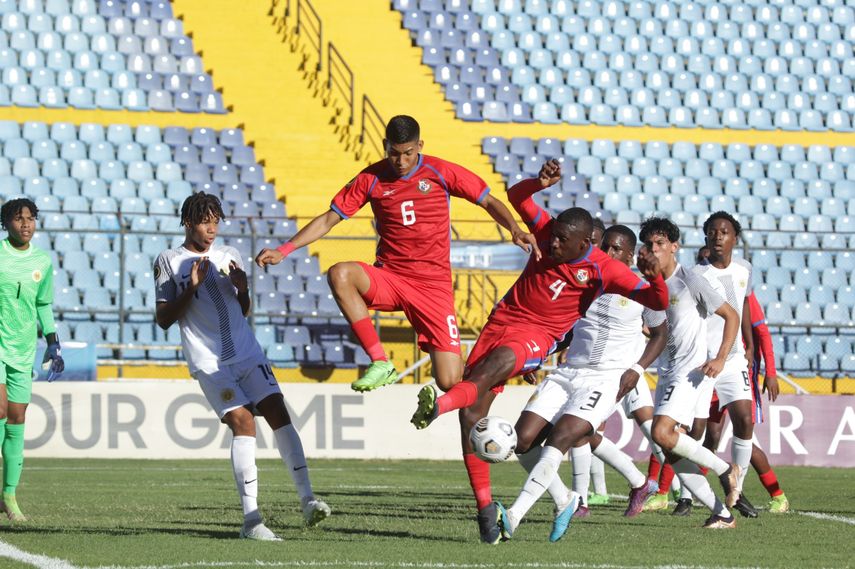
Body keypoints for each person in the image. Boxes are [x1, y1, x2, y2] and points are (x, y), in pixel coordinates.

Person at [411, 160, 670, 541]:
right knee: (475, 417)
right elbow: (515, 197)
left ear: (585, 244)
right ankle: (498, 507)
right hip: (502, 321)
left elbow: (654, 302)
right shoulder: (548, 229)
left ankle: (438, 407)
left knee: (496, 377)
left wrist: (657, 279)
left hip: (539, 336)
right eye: (554, 236)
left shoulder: (604, 270)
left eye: (563, 241)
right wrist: (538, 182)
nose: (552, 243)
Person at [255, 115, 538, 394]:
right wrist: (284, 250)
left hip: (433, 287)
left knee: (450, 381)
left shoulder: (440, 172)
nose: (401, 161)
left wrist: (514, 228)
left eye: (408, 153)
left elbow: (488, 200)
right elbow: (330, 219)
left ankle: (515, 364)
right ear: (384, 145)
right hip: (391, 278)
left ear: (420, 146)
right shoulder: (370, 178)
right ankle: (380, 361)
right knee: (340, 273)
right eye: (393, 153)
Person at [155, 192, 330, 541]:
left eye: (216, 221)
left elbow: (243, 310)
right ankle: (252, 521)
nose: (212, 229)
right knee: (243, 421)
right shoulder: (169, 261)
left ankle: (308, 500)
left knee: (279, 412)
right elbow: (163, 319)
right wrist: (189, 290)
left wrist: (243, 290)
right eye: (206, 221)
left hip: (247, 353)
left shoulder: (229, 255)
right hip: (209, 361)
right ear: (189, 222)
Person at [504, 224, 668, 541]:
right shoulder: (587, 280)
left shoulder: (639, 289)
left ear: (630, 255)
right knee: (521, 441)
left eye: (615, 249)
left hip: (606, 377)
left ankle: (513, 515)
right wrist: (538, 355)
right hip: (568, 372)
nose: (606, 252)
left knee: (563, 437)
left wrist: (637, 367)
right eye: (604, 246)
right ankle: (566, 499)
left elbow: (661, 334)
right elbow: (566, 329)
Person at [640, 217, 741, 529]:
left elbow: (731, 315)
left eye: (660, 244)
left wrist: (722, 358)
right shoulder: (648, 286)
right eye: (649, 245)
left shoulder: (689, 280)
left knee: (661, 433)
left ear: (674, 247)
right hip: (668, 371)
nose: (653, 250)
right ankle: (721, 514)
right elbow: (653, 328)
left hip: (690, 370)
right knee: (669, 450)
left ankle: (725, 469)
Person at [0, 198, 64, 522]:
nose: (25, 224)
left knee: (16, 420)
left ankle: (8, 495)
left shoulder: (43, 261)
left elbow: (43, 305)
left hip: (24, 349)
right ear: (5, 223)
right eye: (18, 218)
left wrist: (53, 342)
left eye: (30, 218)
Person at [692, 212, 759, 514]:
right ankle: (685, 493)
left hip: (732, 360)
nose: (718, 236)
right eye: (713, 231)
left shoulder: (745, 269)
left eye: (725, 231)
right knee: (695, 432)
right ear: (706, 237)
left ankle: (737, 489)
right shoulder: (695, 275)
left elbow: (743, 305)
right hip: (703, 362)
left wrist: (750, 345)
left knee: (745, 420)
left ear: (734, 238)